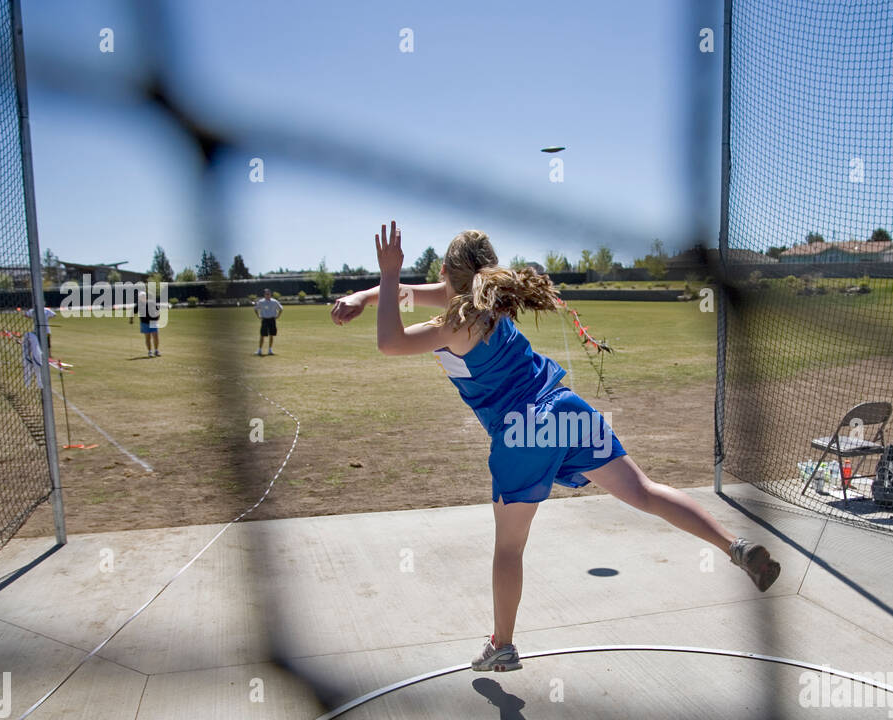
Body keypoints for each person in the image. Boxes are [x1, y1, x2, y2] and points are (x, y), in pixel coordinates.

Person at [332, 222, 780, 673]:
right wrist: (365, 296)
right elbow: (425, 293)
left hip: (522, 429)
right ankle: (736, 546)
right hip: (565, 409)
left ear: (447, 270)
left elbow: (390, 342)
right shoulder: (494, 300)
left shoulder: (453, 323)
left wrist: (388, 275)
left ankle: (502, 646)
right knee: (644, 491)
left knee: (509, 548)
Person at [253, 288, 282, 355]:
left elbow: (281, 309)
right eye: (266, 294)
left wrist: (278, 316)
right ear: (264, 294)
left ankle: (270, 350)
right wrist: (258, 316)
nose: (267, 295)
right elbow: (255, 309)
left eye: (268, 294)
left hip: (272, 320)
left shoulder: (274, 301)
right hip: (265, 320)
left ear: (270, 294)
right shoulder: (261, 302)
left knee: (271, 335)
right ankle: (259, 350)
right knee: (262, 335)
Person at [136, 290, 160, 357]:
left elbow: (158, 310)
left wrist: (158, 317)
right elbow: (133, 312)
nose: (142, 297)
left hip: (153, 322)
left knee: (156, 337)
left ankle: (156, 350)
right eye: (141, 296)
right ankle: (150, 352)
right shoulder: (139, 304)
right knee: (148, 338)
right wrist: (131, 320)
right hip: (144, 323)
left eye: (143, 296)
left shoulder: (152, 302)